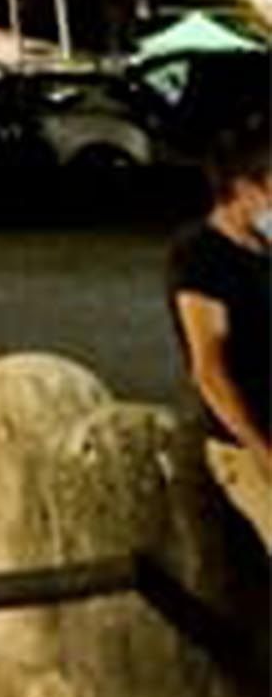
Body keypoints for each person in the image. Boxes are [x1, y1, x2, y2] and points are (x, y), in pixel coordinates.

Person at [167, 123, 272, 544]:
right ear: (245, 189)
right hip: (244, 444)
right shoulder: (202, 257)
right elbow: (209, 369)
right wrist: (260, 453)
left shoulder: (263, 246)